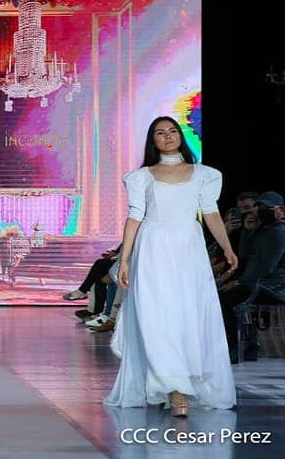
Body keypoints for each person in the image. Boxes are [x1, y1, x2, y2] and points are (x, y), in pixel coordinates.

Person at [104, 116, 238, 418]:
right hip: (152, 249)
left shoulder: (205, 175)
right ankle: (175, 389)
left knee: (188, 315)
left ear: (180, 135)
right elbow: (135, 217)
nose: (167, 136)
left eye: (172, 131)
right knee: (156, 315)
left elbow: (211, 212)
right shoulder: (141, 177)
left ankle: (183, 381)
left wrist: (227, 247)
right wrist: (124, 260)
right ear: (152, 140)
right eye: (160, 133)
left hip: (189, 250)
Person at [217, 191, 285, 363]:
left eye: (264, 207)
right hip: (258, 283)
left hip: (273, 287)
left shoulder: (279, 231)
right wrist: (247, 232)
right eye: (259, 207)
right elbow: (244, 257)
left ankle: (235, 348)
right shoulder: (263, 230)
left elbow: (266, 267)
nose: (258, 211)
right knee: (221, 296)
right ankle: (244, 347)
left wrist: (239, 282)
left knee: (225, 300)